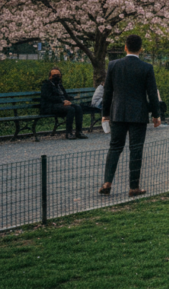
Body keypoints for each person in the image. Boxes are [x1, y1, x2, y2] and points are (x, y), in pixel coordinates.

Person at [99, 35, 160, 197]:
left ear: (125, 47)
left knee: (114, 147)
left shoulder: (113, 65)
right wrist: (156, 114)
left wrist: (105, 114)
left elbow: (108, 92)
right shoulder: (146, 67)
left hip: (117, 112)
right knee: (136, 149)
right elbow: (152, 93)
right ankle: (134, 187)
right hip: (138, 113)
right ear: (141, 49)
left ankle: (107, 182)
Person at [40, 67, 89, 140]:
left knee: (78, 107)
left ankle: (79, 131)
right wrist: (62, 101)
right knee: (70, 109)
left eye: (58, 75)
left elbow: (65, 96)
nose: (56, 77)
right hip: (50, 106)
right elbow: (48, 97)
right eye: (54, 75)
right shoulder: (46, 85)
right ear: (50, 76)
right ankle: (69, 133)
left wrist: (68, 100)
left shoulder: (59, 85)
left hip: (61, 105)